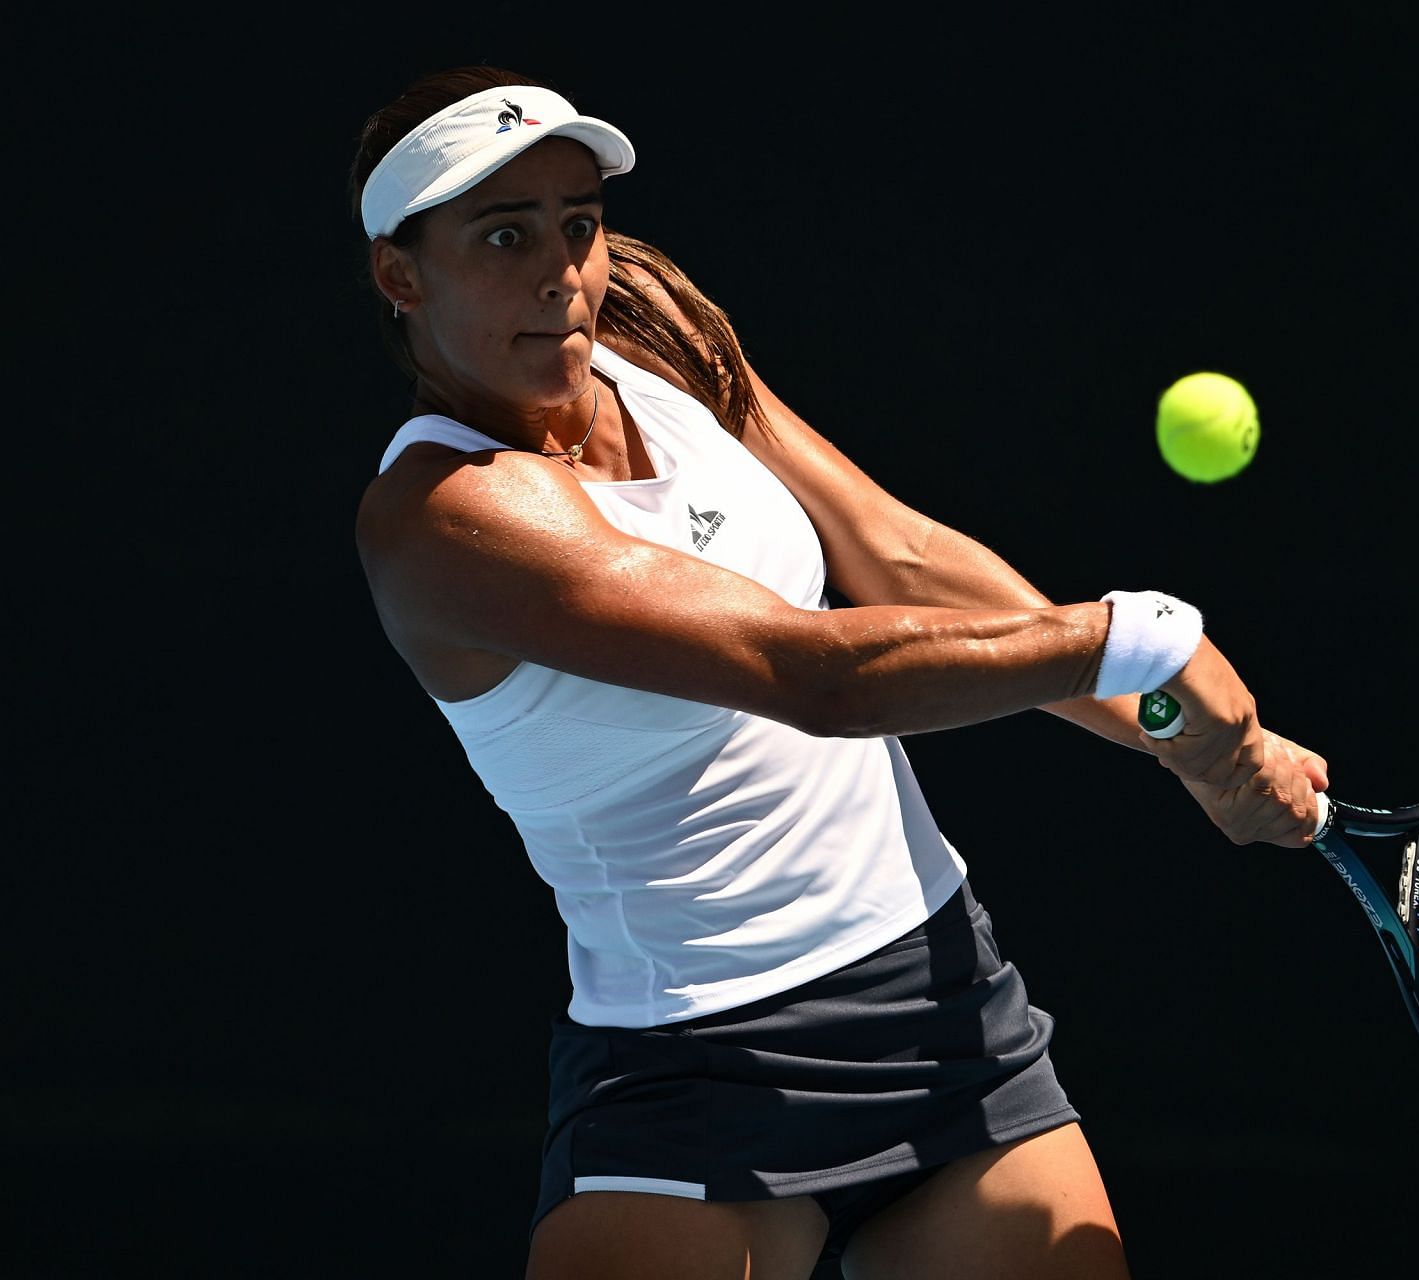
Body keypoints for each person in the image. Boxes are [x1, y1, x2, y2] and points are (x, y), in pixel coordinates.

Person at [347, 64, 1330, 1280]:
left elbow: (892, 547)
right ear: (402, 274)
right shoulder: (444, 520)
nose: (564, 273)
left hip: (943, 998)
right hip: (695, 1068)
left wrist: (1186, 735)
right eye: (504, 235)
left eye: (579, 224)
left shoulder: (642, 326)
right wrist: (1142, 638)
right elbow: (803, 669)